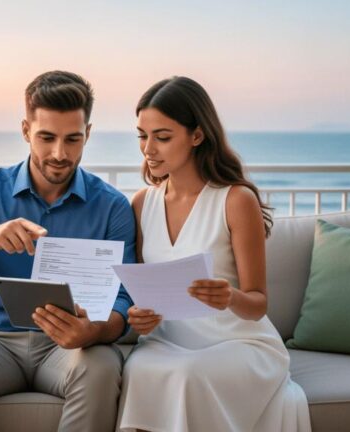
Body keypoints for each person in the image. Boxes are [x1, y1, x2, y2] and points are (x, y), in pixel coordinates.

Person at [0, 70, 135, 432]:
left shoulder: (112, 207)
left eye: (73, 139)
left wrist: (93, 332)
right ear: (25, 131)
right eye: (46, 137)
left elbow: (125, 301)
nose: (59, 154)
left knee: (101, 367)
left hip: (71, 350)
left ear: (88, 134)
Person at [117, 77, 311, 432]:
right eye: (142, 136)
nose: (148, 149)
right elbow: (144, 293)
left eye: (162, 137)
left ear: (197, 135)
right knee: (140, 370)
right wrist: (139, 315)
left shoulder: (236, 200)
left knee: (188, 376)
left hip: (236, 342)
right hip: (166, 342)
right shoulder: (142, 203)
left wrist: (229, 296)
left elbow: (258, 304)